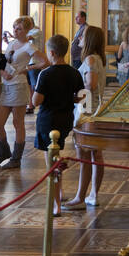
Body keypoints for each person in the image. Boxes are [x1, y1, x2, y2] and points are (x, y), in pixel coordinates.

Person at [32, 34, 82, 216]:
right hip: (66, 120)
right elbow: (81, 96)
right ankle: (60, 192)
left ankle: (56, 205)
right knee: (56, 156)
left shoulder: (45, 74)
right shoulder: (74, 72)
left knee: (50, 164)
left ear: (51, 53)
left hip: (48, 122)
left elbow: (36, 101)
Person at [66, 25, 105, 210]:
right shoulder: (98, 59)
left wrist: (73, 97)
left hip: (86, 110)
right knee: (96, 154)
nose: (79, 37)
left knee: (84, 154)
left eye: (83, 35)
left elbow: (90, 84)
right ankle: (92, 194)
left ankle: (80, 197)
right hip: (94, 108)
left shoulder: (90, 59)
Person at [0, 18, 31, 169]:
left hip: (19, 86)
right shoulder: (10, 44)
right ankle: (4, 152)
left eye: (19, 28)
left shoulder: (29, 46)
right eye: (14, 28)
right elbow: (2, 61)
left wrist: (26, 69)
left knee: (17, 123)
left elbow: (44, 61)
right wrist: (2, 72)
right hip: (7, 86)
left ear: (26, 30)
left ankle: (16, 158)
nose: (15, 31)